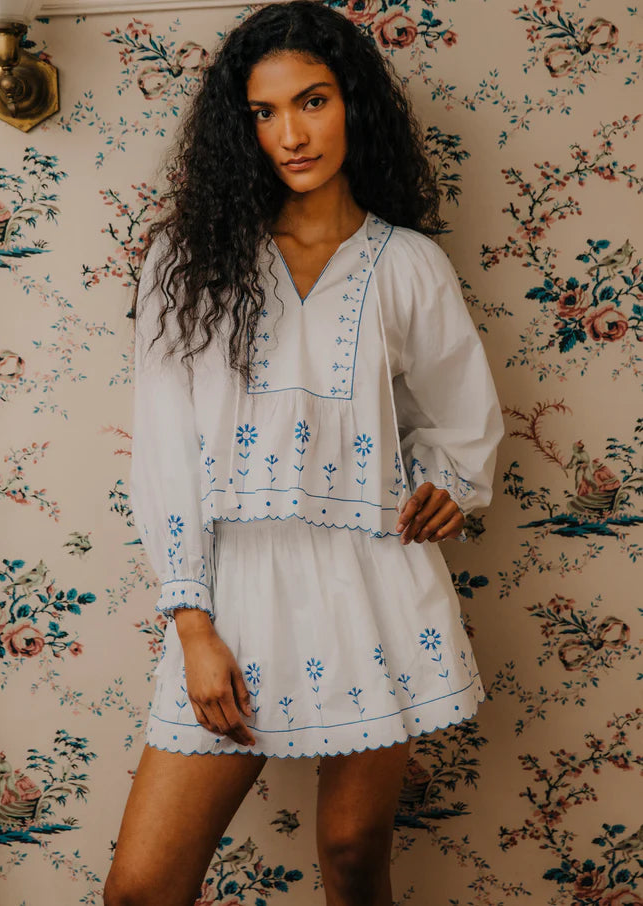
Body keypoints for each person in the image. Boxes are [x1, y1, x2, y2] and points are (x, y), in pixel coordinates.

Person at [104, 3, 504, 905]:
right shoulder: (187, 262)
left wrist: (449, 483)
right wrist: (192, 623)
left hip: (372, 581)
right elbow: (164, 448)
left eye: (313, 101)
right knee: (140, 888)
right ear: (241, 127)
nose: (291, 132)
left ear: (352, 105)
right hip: (233, 594)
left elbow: (463, 418)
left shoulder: (407, 265)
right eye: (264, 111)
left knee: (356, 854)